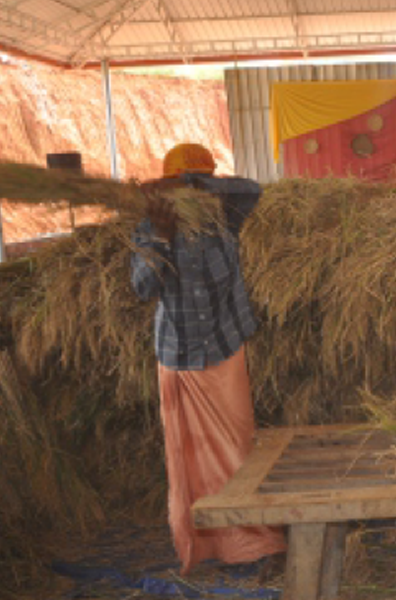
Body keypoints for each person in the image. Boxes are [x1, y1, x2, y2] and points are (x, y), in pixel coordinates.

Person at [131, 143, 285, 574]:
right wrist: (162, 237)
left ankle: (257, 542)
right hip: (180, 356)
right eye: (182, 186)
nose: (190, 195)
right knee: (192, 457)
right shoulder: (148, 228)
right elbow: (143, 287)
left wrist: (194, 186)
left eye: (197, 185)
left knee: (238, 448)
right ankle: (205, 547)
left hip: (225, 348)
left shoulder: (223, 218)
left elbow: (250, 188)